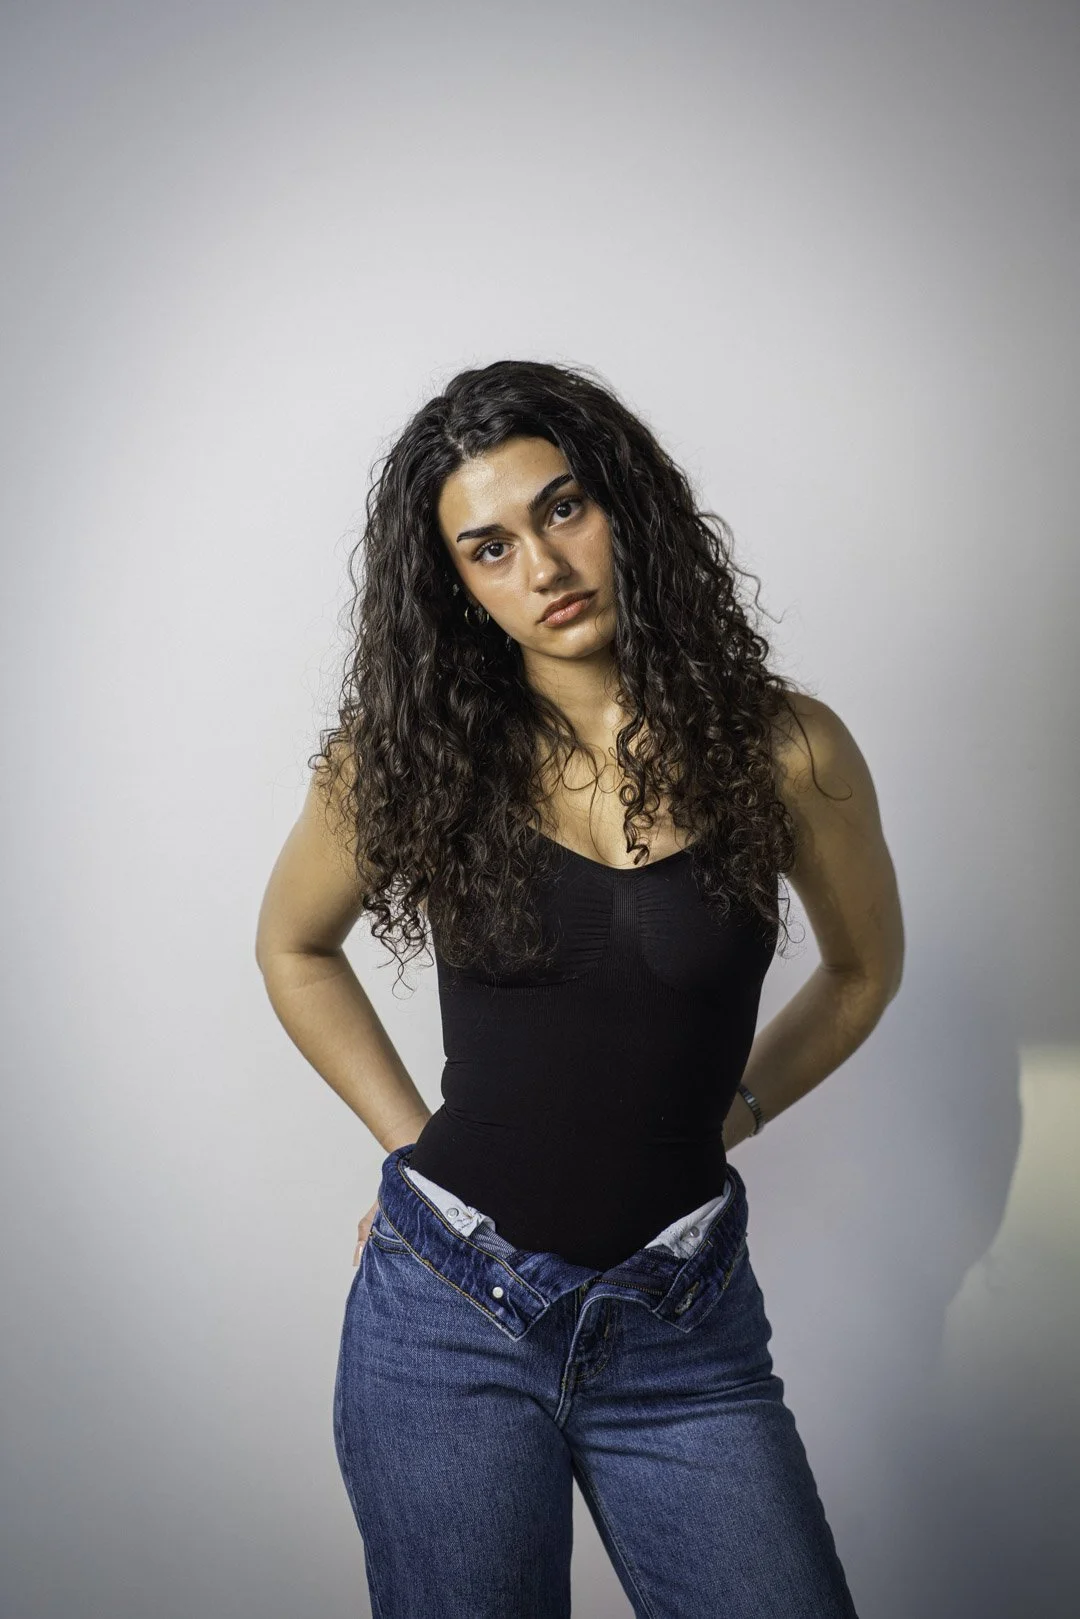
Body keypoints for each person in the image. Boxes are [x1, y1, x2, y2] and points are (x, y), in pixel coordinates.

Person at [255, 359, 904, 1618]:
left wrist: (732, 1114)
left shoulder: (791, 748)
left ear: (625, 502)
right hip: (446, 1320)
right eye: (489, 548)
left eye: (562, 510)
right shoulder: (405, 761)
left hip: (683, 1324)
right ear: (457, 586)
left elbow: (865, 970)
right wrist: (414, 1151)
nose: (543, 569)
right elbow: (294, 945)